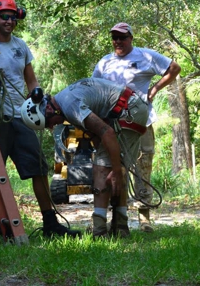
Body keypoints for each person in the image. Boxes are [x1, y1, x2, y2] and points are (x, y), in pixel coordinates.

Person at [0, 0, 80, 239]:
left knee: (39, 169)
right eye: (3, 17)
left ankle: (50, 224)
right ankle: (0, 226)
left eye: (12, 17)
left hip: (22, 115)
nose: (8, 21)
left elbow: (30, 79)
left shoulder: (21, 46)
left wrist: (38, 97)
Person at [20, 77, 149, 239]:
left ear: (47, 110)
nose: (52, 127)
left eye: (48, 123)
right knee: (113, 164)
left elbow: (106, 132)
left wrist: (115, 170)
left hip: (127, 111)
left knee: (102, 167)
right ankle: (120, 226)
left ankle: (100, 230)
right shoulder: (66, 101)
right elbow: (96, 135)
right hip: (131, 108)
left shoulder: (70, 106)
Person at [92, 22, 181, 232]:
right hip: (113, 126)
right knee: (115, 169)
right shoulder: (105, 63)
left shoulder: (146, 56)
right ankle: (116, 218)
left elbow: (174, 68)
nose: (118, 41)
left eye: (122, 37)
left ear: (131, 37)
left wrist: (155, 89)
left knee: (142, 169)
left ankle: (144, 218)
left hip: (141, 123)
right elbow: (94, 88)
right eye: (114, 37)